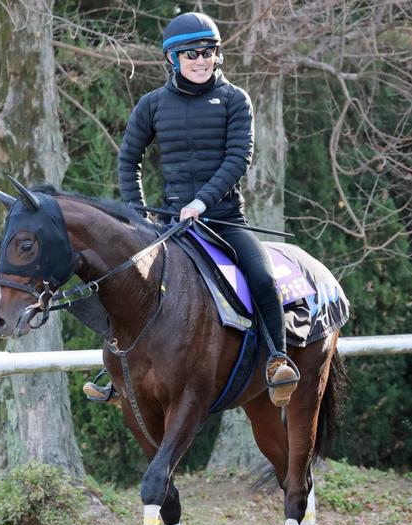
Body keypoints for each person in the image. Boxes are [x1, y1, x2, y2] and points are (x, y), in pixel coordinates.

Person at [87, 11, 299, 407]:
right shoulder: (152, 105)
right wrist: (136, 214)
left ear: (217, 54)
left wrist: (202, 202)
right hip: (170, 226)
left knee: (262, 279)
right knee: (119, 280)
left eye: (208, 51)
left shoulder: (236, 100)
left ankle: (277, 360)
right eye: (191, 54)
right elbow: (128, 160)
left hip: (224, 221)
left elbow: (239, 158)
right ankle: (114, 370)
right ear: (173, 59)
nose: (201, 60)